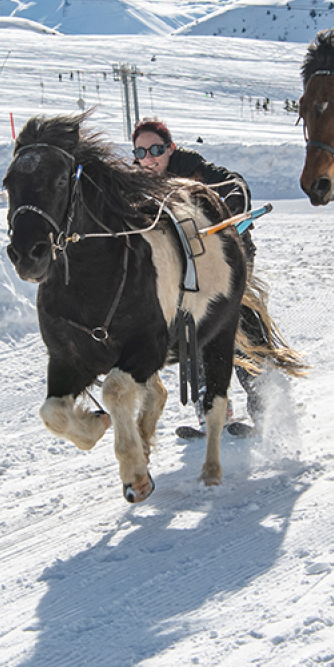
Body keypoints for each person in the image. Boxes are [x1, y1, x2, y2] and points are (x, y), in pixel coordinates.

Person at [131, 118, 271, 435]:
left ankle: (265, 405)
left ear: (171, 148)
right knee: (191, 330)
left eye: (156, 149)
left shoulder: (191, 167)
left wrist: (230, 208)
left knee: (235, 318)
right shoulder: (137, 183)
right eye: (141, 152)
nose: (149, 158)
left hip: (225, 256)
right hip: (183, 267)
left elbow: (233, 184)